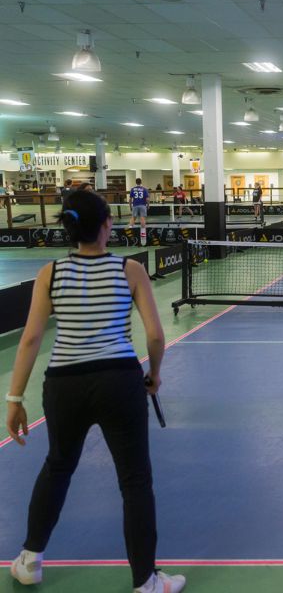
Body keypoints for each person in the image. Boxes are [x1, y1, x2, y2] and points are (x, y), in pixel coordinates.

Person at [5, 189, 186, 593]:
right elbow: (155, 336)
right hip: (119, 382)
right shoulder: (130, 270)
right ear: (107, 226)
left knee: (57, 467)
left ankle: (30, 561)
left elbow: (32, 338)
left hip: (64, 385)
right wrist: (154, 375)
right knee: (135, 480)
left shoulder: (50, 273)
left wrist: (14, 398)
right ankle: (146, 581)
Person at [128, 178, 149, 243]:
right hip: (142, 205)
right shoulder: (144, 189)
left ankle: (130, 230)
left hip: (135, 205)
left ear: (136, 182)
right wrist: (148, 205)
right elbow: (147, 199)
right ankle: (143, 233)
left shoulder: (132, 189)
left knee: (133, 218)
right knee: (142, 218)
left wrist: (130, 206)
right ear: (141, 182)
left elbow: (130, 199)